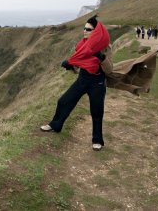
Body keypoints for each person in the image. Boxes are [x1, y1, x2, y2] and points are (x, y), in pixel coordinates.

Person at [40, 15, 110, 151]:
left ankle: (97, 140)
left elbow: (109, 69)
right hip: (83, 79)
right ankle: (55, 125)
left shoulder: (105, 48)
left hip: (97, 83)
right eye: (84, 28)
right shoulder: (82, 45)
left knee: (96, 111)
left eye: (89, 30)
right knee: (64, 101)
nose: (85, 31)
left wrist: (101, 58)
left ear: (96, 32)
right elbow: (79, 62)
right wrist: (70, 65)